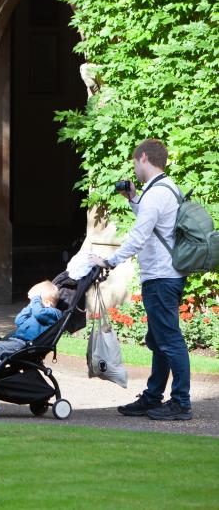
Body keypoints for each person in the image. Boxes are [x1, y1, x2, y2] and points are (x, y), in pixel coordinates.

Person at [89, 138, 191, 421]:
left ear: (143, 157)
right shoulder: (166, 189)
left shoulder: (157, 194)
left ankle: (181, 402)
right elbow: (157, 226)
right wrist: (134, 200)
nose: (134, 169)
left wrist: (108, 260)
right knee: (159, 341)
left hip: (161, 276)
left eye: (135, 163)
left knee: (169, 341)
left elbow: (139, 236)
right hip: (166, 275)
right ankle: (153, 397)